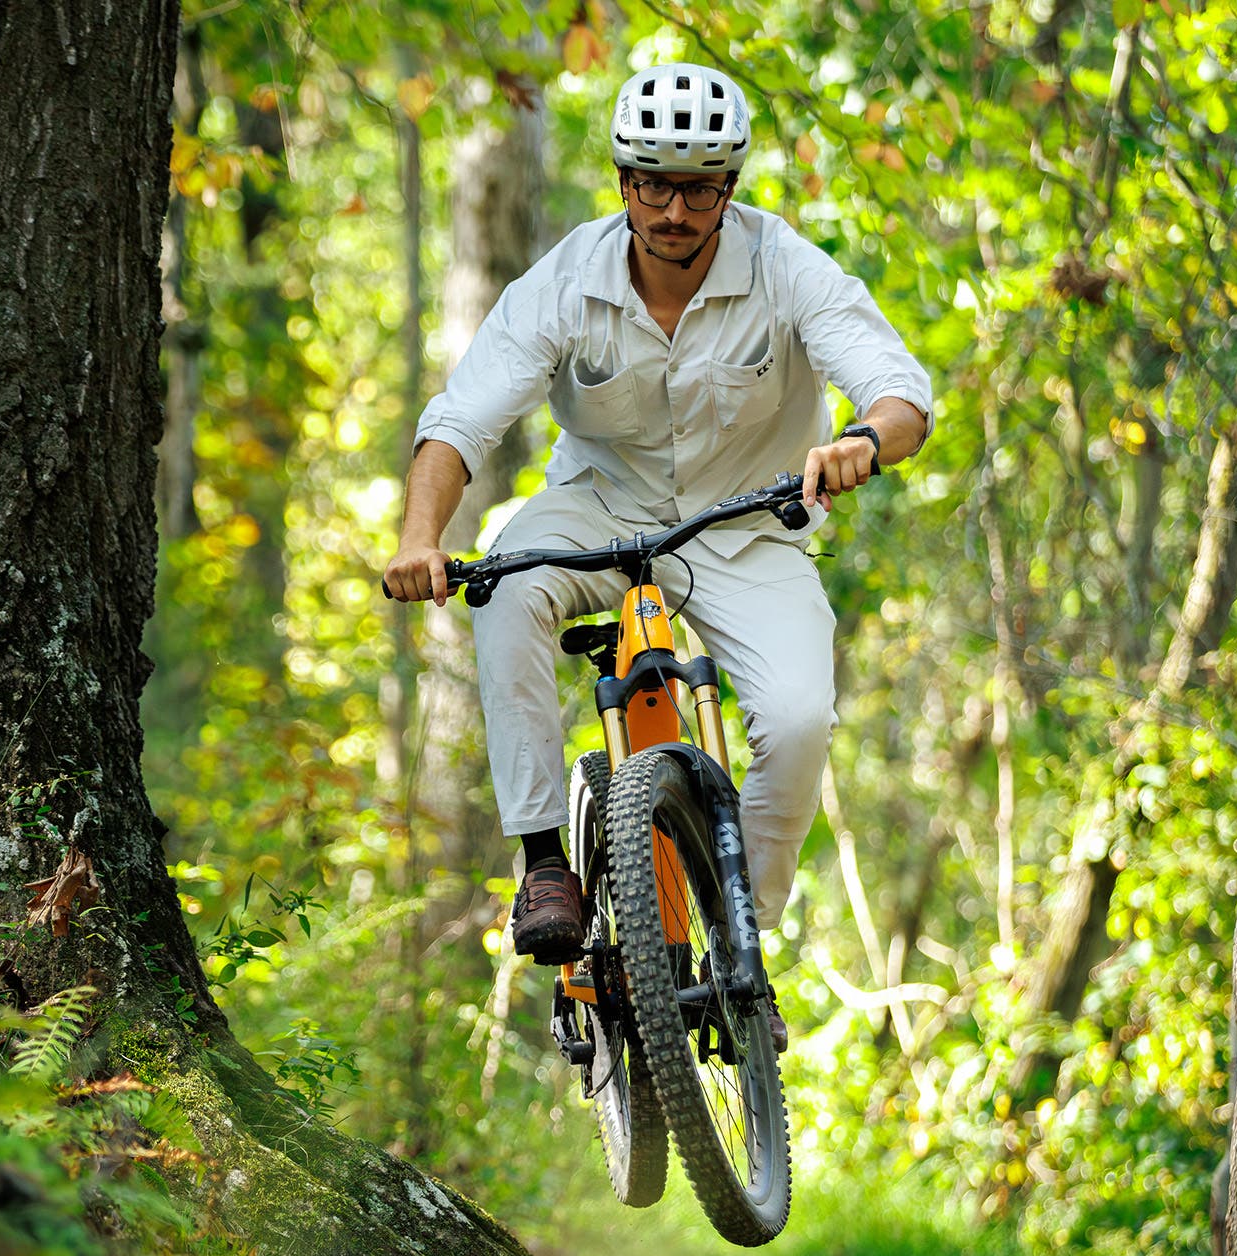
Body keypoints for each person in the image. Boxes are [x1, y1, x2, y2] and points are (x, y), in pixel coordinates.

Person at [381, 63, 933, 1048]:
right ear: (622, 178)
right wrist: (423, 539)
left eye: (699, 187)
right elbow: (460, 423)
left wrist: (866, 440)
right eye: (651, 183)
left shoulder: (787, 267)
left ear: (732, 186)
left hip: (747, 528)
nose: (673, 209)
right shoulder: (565, 282)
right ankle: (546, 857)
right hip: (596, 511)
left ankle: (740, 940)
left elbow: (898, 390)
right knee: (506, 590)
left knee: (801, 721)